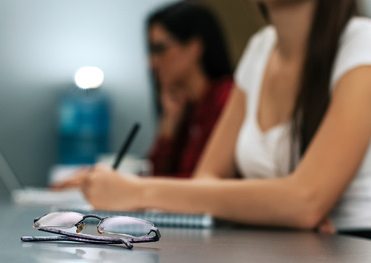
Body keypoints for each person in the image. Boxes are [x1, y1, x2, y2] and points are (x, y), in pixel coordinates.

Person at [55, 0, 371, 235]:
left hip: (350, 252)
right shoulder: (261, 49)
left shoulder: (361, 44)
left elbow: (306, 200)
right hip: (283, 252)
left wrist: (137, 191)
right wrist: (277, 210)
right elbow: (207, 177)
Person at [146, 2, 233, 177]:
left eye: (160, 49)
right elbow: (156, 176)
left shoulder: (227, 98)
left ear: (194, 47)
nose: (152, 63)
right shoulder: (185, 106)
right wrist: (169, 124)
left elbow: (196, 182)